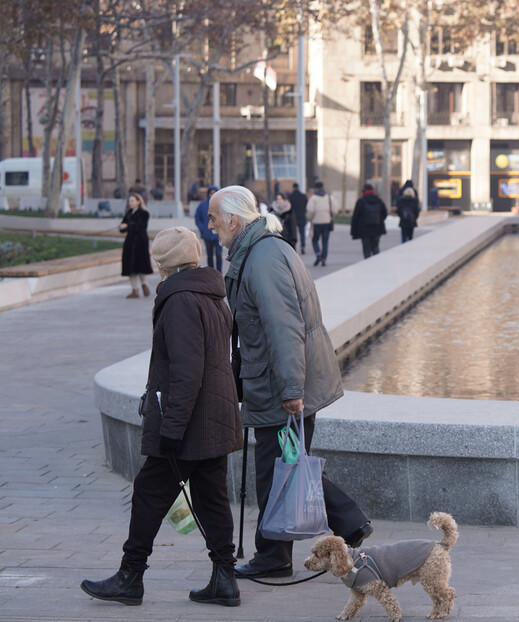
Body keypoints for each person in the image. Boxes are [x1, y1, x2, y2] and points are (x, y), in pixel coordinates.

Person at [204, 186, 372, 580]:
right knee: (286, 465)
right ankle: (293, 546)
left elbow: (284, 329)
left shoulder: (262, 258)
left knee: (278, 468)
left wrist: (292, 390)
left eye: (214, 218)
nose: (210, 226)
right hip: (276, 380)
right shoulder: (262, 249)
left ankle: (289, 549)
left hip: (281, 384)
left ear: (233, 220)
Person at [80, 227, 242, 608]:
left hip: (189, 424)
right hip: (214, 417)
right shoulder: (211, 293)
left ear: (163, 264)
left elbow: (187, 373)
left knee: (149, 494)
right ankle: (225, 578)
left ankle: (130, 577)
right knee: (211, 499)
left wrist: (171, 429)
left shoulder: (182, 300)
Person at [119, 192, 153, 298]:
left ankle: (144, 284)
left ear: (138, 201)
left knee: (140, 265)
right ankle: (134, 289)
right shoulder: (129, 212)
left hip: (140, 242)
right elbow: (123, 226)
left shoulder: (144, 213)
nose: (130, 203)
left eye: (132, 201)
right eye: (129, 201)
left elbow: (140, 226)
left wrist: (127, 226)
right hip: (129, 243)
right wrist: (122, 227)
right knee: (130, 267)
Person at [351, 183, 388, 257]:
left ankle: (367, 265)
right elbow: (385, 213)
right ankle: (376, 264)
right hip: (377, 228)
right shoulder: (378, 200)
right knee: (375, 247)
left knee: (366, 249)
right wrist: (379, 220)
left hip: (364, 229)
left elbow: (355, 216)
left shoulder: (361, 201)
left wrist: (353, 230)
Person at [194, 185, 222, 272]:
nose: (212, 195)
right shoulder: (202, 205)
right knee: (209, 254)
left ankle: (219, 272)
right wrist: (203, 229)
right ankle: (211, 272)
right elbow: (197, 218)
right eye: (211, 193)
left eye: (214, 193)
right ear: (208, 194)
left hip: (218, 235)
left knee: (218, 254)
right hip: (207, 235)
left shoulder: (221, 205)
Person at [306, 181, 335, 266]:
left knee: (315, 240)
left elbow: (310, 210)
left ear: (315, 188)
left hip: (317, 222)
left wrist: (311, 218)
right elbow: (334, 208)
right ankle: (324, 258)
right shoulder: (329, 197)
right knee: (325, 241)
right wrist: (330, 216)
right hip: (327, 222)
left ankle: (318, 254)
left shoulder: (313, 198)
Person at [288, 183, 309, 255]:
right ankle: (303, 246)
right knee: (302, 233)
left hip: (293, 217)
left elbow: (289, 207)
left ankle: (295, 247)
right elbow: (306, 205)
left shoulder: (291, 196)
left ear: (293, 188)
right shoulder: (303, 196)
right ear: (298, 187)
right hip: (302, 216)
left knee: (294, 233)